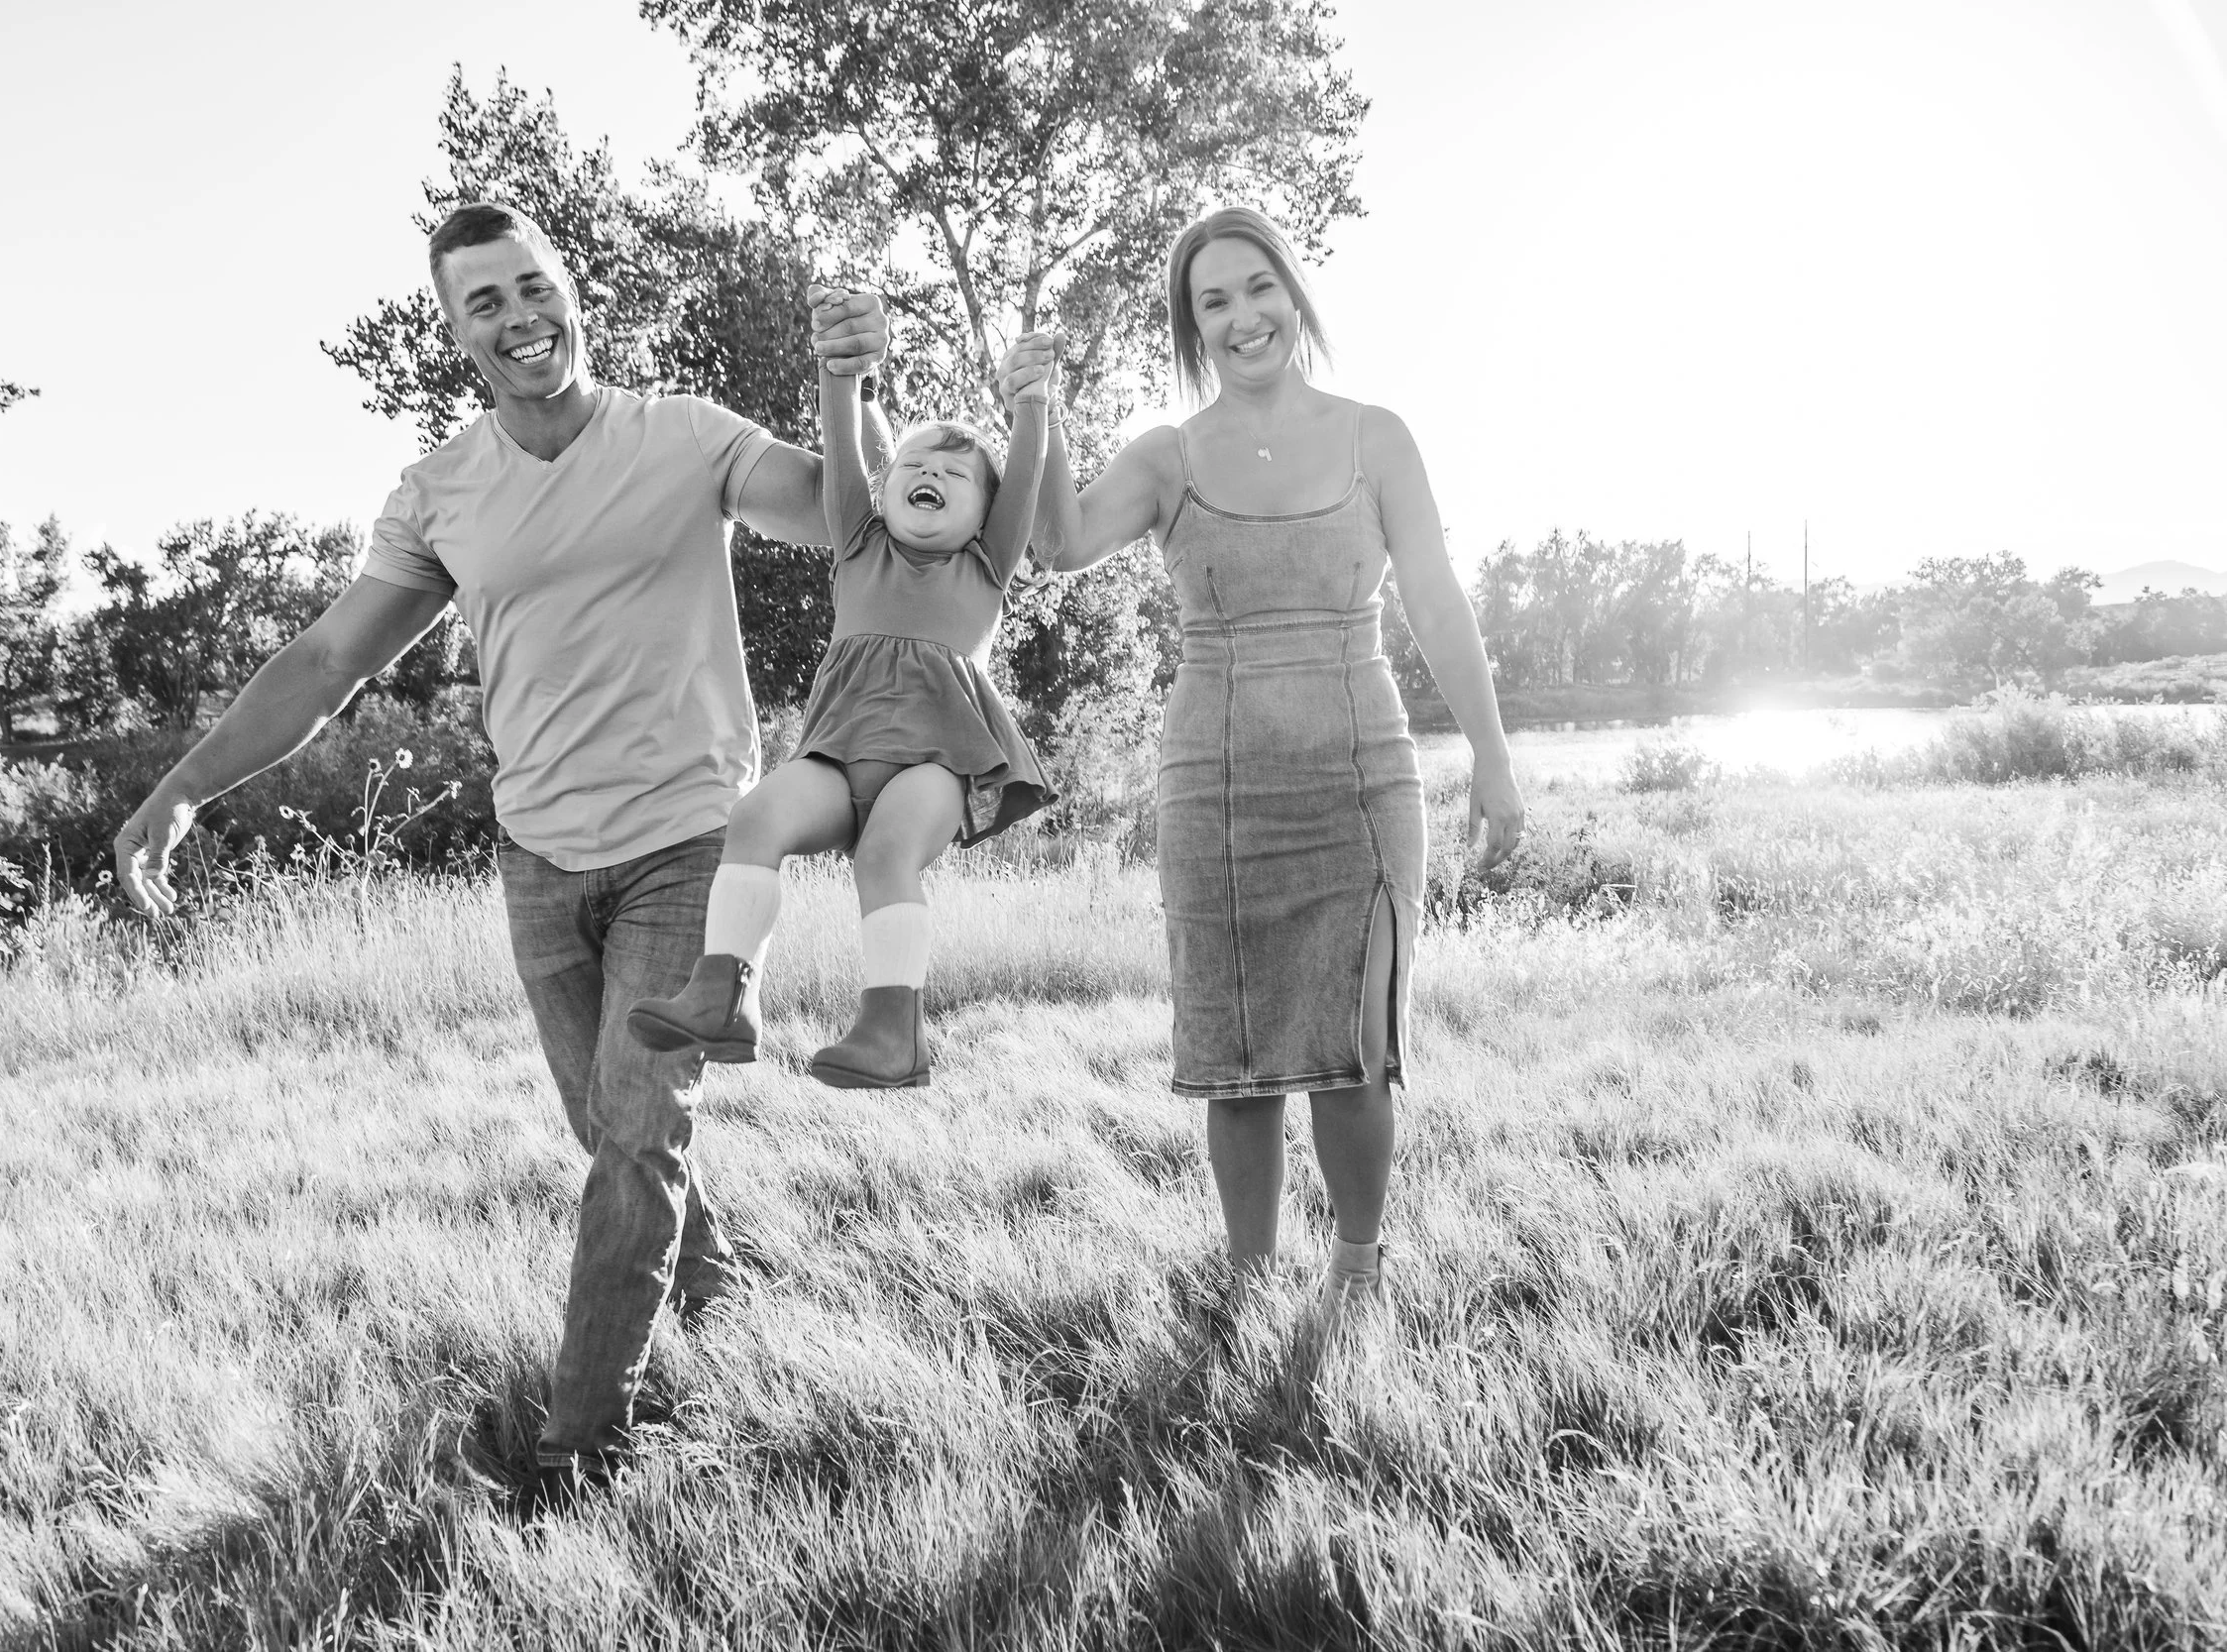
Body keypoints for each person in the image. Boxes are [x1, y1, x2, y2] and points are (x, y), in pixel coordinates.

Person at [110, 202, 890, 1483]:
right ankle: (721, 1291)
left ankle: (582, 1442)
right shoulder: (442, 492)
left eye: (534, 288)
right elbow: (328, 660)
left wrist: (849, 387)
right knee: (614, 1130)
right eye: (486, 302)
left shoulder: (686, 435)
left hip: (693, 841)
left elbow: (844, 517)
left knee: (636, 1137)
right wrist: (185, 787)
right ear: (456, 333)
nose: (521, 317)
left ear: (571, 293)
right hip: (539, 858)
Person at [1014, 206, 1525, 1306]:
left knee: (1356, 1048)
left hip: (1362, 782)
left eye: (1259, 288)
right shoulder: (1166, 456)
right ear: (1192, 327)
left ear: (1295, 295)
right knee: (1235, 1061)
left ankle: (1355, 1271)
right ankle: (1247, 1284)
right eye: (1214, 301)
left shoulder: (1376, 436)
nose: (1243, 316)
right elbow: (1057, 545)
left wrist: (1491, 753)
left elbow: (1436, 600)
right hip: (1217, 790)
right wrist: (1037, 413)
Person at [626, 286, 1056, 1089]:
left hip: (934, 762)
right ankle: (724, 995)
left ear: (986, 513)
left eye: (953, 471)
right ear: (883, 491)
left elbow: (1025, 474)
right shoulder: (857, 541)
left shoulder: (986, 562)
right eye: (912, 465)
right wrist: (839, 368)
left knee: (886, 852)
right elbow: (842, 436)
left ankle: (894, 1030)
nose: (927, 472)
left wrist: (1031, 399)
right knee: (754, 817)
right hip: (836, 752)